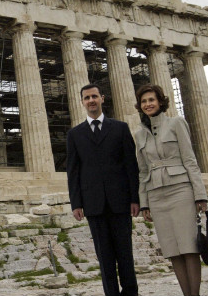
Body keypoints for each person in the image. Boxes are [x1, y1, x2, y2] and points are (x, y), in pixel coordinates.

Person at [133, 84, 208, 296]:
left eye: (151, 100)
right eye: (144, 101)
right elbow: (143, 171)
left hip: (181, 190)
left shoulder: (176, 123)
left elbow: (190, 160)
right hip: (156, 194)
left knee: (189, 247)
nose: (148, 104)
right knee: (172, 250)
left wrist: (200, 194)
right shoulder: (139, 135)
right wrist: (144, 202)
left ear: (160, 102)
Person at [66, 83, 140, 296]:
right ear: (82, 102)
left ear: (102, 98)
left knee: (125, 254)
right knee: (104, 256)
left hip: (121, 201)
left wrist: (135, 198)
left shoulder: (120, 128)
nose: (91, 101)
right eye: (87, 98)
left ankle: (131, 293)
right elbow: (74, 172)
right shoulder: (75, 134)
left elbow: (130, 166)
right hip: (93, 203)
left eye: (94, 96)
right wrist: (76, 203)